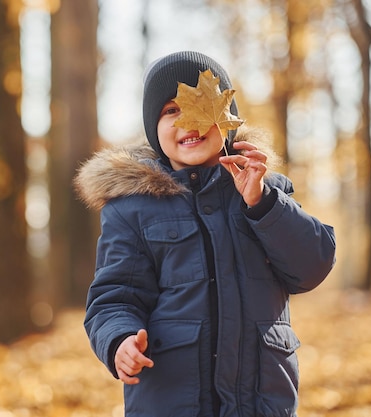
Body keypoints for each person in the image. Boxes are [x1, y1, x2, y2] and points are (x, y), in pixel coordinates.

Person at [74, 51, 336, 417]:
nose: (188, 121)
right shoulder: (133, 208)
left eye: (200, 107)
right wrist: (119, 340)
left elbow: (312, 265)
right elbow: (115, 297)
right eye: (170, 111)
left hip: (260, 401)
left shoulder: (264, 191)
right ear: (153, 127)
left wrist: (262, 203)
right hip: (171, 401)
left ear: (226, 116)